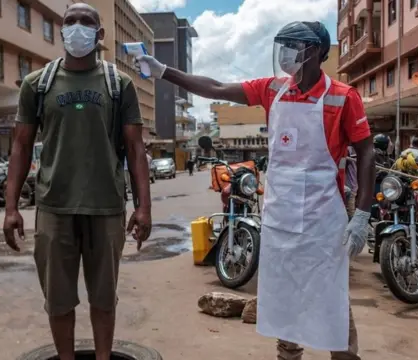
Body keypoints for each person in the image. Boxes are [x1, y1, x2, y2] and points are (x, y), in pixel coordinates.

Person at [136, 20, 374, 360]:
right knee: (284, 301)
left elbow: (367, 152)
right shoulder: (272, 88)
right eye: (286, 44)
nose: (288, 52)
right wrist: (164, 72)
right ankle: (288, 354)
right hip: (280, 220)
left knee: (331, 301)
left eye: (297, 44)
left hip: (323, 224)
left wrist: (362, 214)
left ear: (319, 52)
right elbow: (216, 87)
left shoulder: (342, 97)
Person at [2, 3, 152, 360]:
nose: (78, 28)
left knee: (103, 298)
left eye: (87, 22)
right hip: (54, 206)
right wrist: (10, 208)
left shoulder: (120, 84)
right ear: (61, 31)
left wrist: (144, 207)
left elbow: (135, 148)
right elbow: (21, 146)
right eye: (70, 21)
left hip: (106, 206)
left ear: (100, 35)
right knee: (58, 300)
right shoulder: (38, 84)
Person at [345, 146, 357, 218]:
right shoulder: (348, 149)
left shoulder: (351, 149)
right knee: (351, 212)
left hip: (353, 185)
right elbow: (342, 167)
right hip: (349, 186)